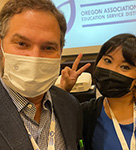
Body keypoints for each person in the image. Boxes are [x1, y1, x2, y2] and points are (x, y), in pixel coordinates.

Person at [0, 0, 90, 149]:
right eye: (22, 44)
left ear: (60, 52)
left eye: (48, 47)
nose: (34, 57)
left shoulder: (71, 106)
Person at [60, 33, 136, 150]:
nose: (111, 70)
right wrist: (63, 91)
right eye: (107, 60)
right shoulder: (86, 114)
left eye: (125, 67)